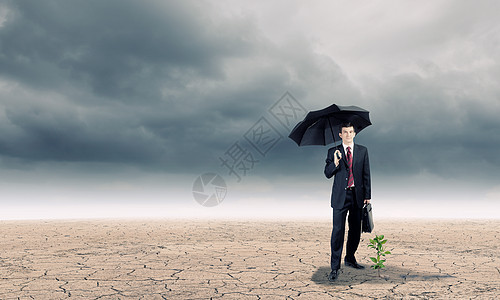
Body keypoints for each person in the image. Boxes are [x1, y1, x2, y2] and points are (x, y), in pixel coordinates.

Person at [324, 122, 371, 281]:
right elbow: (327, 173)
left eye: (351, 132)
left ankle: (350, 258)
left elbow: (366, 174)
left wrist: (368, 195)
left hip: (357, 195)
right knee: (338, 232)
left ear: (355, 133)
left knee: (355, 230)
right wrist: (336, 162)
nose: (348, 135)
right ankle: (334, 268)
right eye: (345, 132)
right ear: (340, 134)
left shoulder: (362, 151)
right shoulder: (333, 151)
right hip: (340, 198)